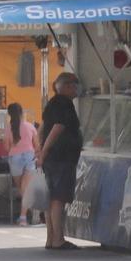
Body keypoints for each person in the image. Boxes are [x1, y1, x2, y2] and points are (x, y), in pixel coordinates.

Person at [38, 70, 83, 250]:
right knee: (58, 198)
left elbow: (42, 128)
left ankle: (51, 238)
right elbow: (57, 127)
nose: (76, 89)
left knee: (51, 198)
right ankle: (58, 239)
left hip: (52, 158)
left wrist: (41, 149)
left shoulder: (51, 103)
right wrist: (44, 150)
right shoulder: (65, 104)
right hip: (61, 157)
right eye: (74, 85)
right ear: (65, 86)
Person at [3, 101, 39, 223]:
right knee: (26, 188)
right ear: (22, 113)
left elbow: (6, 147)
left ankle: (24, 216)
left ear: (9, 115)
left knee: (21, 188)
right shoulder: (31, 126)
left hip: (15, 158)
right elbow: (37, 145)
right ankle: (26, 216)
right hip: (30, 156)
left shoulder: (8, 128)